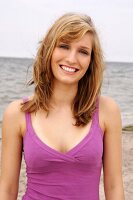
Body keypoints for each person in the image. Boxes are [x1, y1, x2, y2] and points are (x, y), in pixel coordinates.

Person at [0, 12, 125, 200]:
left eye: (83, 51)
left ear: (91, 61)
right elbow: (7, 189)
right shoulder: (17, 113)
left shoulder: (108, 111)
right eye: (64, 46)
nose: (72, 59)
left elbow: (114, 187)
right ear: (49, 50)